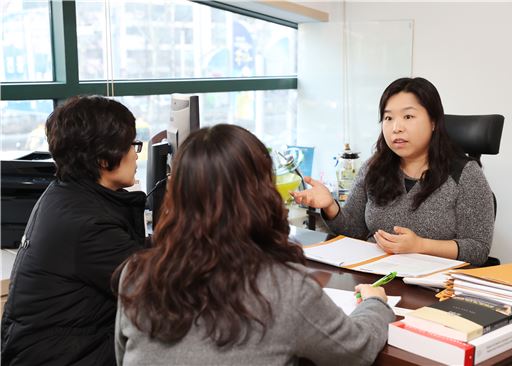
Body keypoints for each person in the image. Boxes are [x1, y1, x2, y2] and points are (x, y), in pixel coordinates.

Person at [114, 124, 395, 366]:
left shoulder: (137, 273)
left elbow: (124, 355)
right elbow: (355, 352)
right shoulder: (284, 287)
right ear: (261, 194)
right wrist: (375, 303)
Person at [1, 96, 147, 365]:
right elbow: (159, 282)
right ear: (103, 158)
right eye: (130, 145)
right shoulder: (86, 223)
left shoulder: (68, 193)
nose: (135, 153)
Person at [292, 77, 494, 266]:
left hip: (433, 285)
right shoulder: (374, 167)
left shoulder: (465, 174)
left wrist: (421, 246)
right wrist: (330, 206)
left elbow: (478, 249)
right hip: (375, 275)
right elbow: (354, 230)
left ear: (433, 122)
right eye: (388, 118)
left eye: (408, 116)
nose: (396, 128)